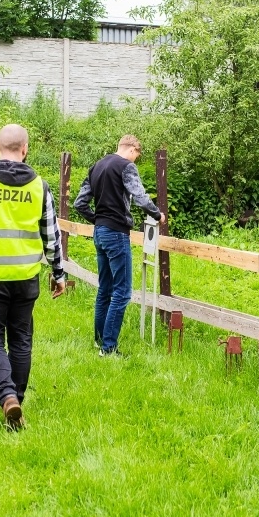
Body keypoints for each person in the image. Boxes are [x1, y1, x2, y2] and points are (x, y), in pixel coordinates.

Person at [0, 124, 66, 430]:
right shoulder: (39, 187)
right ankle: (16, 402)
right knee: (21, 341)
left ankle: (7, 398)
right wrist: (59, 274)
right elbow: (52, 236)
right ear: (25, 149)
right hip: (25, 277)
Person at [73, 135, 165, 357]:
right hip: (116, 233)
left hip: (100, 233)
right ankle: (109, 348)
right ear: (133, 149)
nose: (136, 160)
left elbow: (79, 203)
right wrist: (157, 214)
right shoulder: (126, 167)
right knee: (122, 292)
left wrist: (97, 219)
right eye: (137, 155)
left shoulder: (96, 166)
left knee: (104, 289)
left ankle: (99, 340)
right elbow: (140, 196)